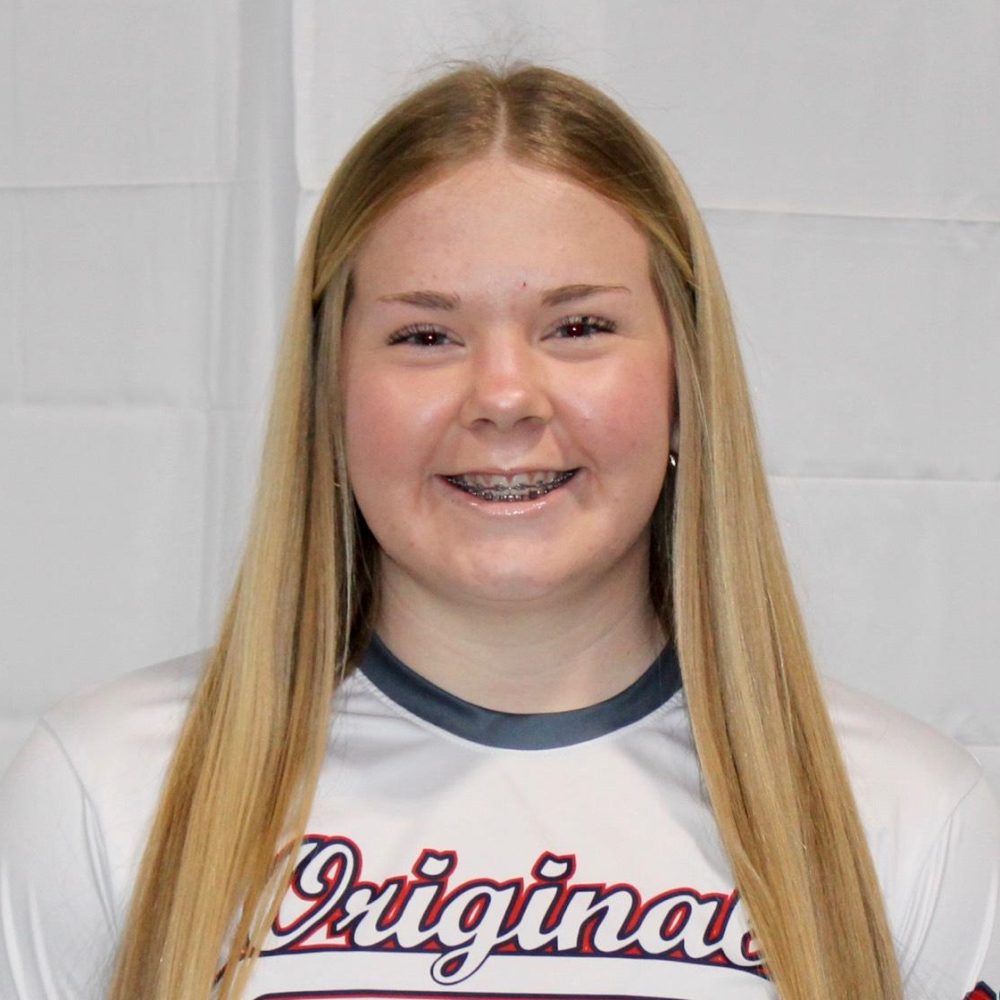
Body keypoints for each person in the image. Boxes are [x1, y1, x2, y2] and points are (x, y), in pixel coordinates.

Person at [0, 62, 997, 1000]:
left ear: (686, 382)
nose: (505, 395)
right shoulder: (112, 789)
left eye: (579, 327)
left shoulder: (907, 816)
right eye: (425, 335)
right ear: (330, 395)